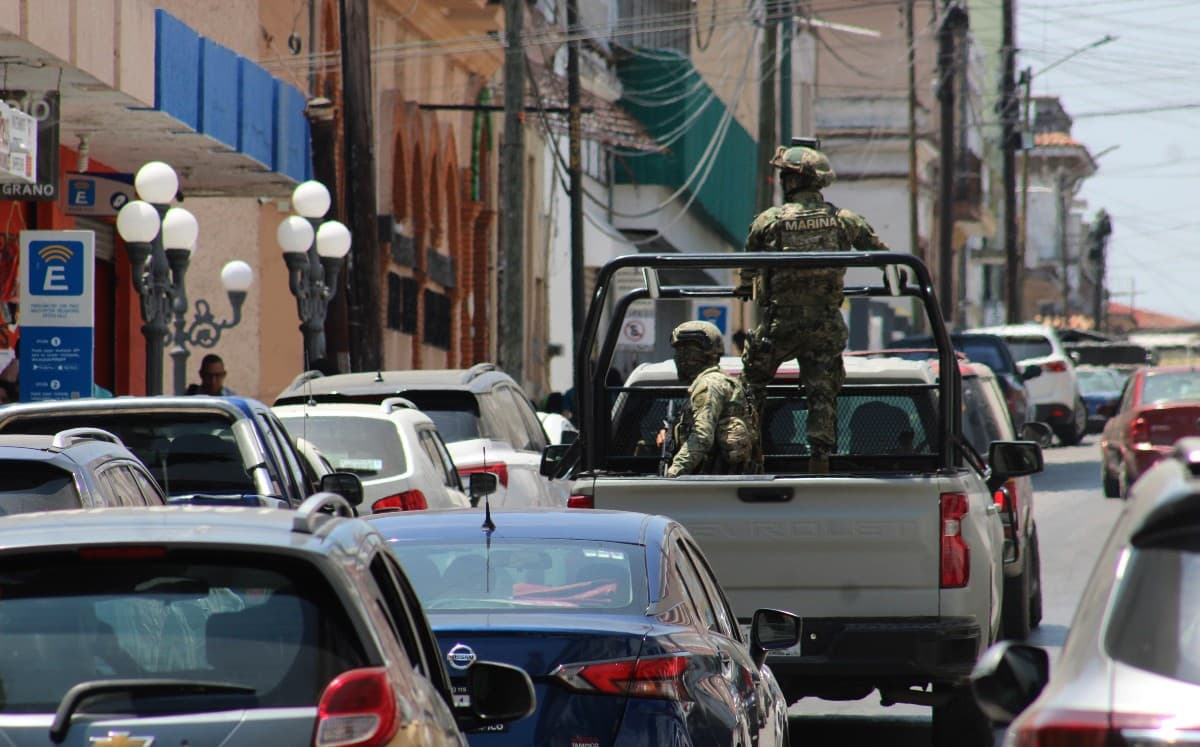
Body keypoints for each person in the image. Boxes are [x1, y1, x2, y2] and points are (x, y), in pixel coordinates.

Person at [738, 140, 890, 473]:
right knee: (822, 391)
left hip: (779, 325)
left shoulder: (769, 220)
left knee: (751, 384)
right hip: (825, 326)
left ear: (791, 182)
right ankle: (820, 457)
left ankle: (746, 451)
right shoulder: (843, 220)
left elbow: (746, 269)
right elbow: (883, 255)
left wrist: (747, 285)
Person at [665, 321, 755, 477]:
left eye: (685, 351)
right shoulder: (720, 380)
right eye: (678, 351)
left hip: (712, 484)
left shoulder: (709, 385)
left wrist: (673, 473)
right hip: (721, 483)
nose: (678, 358)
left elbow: (702, 436)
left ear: (703, 355)